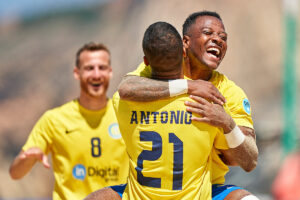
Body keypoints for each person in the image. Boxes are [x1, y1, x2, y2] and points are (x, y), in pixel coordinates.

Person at [116, 11, 259, 200]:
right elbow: (126, 88)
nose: (217, 40)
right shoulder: (160, 71)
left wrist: (226, 123)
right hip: (147, 188)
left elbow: (249, 160)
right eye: (208, 33)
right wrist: (189, 86)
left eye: (223, 37)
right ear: (185, 43)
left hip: (206, 189)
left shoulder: (229, 93)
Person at [86, 21, 230, 200]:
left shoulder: (122, 103)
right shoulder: (205, 104)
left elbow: (125, 88)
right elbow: (235, 159)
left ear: (146, 62)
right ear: (184, 53)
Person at [9, 43, 129, 200]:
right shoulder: (53, 119)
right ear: (76, 73)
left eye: (102, 67)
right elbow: (15, 174)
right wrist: (28, 158)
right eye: (89, 68)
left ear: (110, 72)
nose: (96, 74)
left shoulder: (126, 114)